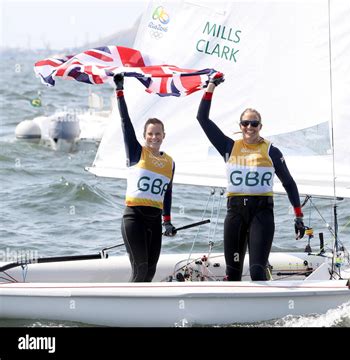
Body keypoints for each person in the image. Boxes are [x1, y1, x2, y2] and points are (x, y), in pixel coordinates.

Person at [196, 73, 306, 281]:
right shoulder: (229, 147)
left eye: (254, 124)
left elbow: (289, 183)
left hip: (261, 213)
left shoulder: (272, 151)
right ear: (240, 126)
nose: (249, 128)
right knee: (233, 273)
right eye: (245, 123)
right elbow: (202, 119)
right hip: (235, 212)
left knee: (257, 270)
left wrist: (298, 216)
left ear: (260, 127)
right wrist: (211, 86)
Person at [113, 74, 177, 282]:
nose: (154, 137)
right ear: (145, 136)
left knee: (150, 271)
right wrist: (120, 91)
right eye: (150, 134)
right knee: (140, 269)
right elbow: (125, 123)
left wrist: (167, 221)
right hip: (134, 218)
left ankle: (141, 311)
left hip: (154, 221)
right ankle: (127, 311)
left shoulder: (170, 162)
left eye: (158, 134)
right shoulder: (136, 152)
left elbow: (167, 193)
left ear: (164, 136)